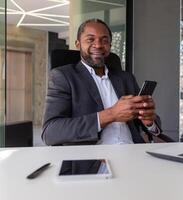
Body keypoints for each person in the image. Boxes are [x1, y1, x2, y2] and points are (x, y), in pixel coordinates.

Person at [42, 18, 161, 146]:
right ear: (78, 44)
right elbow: (50, 132)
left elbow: (153, 128)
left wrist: (149, 121)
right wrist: (111, 114)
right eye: (90, 39)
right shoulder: (63, 77)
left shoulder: (126, 78)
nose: (98, 45)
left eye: (104, 40)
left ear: (110, 45)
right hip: (96, 161)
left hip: (134, 153)